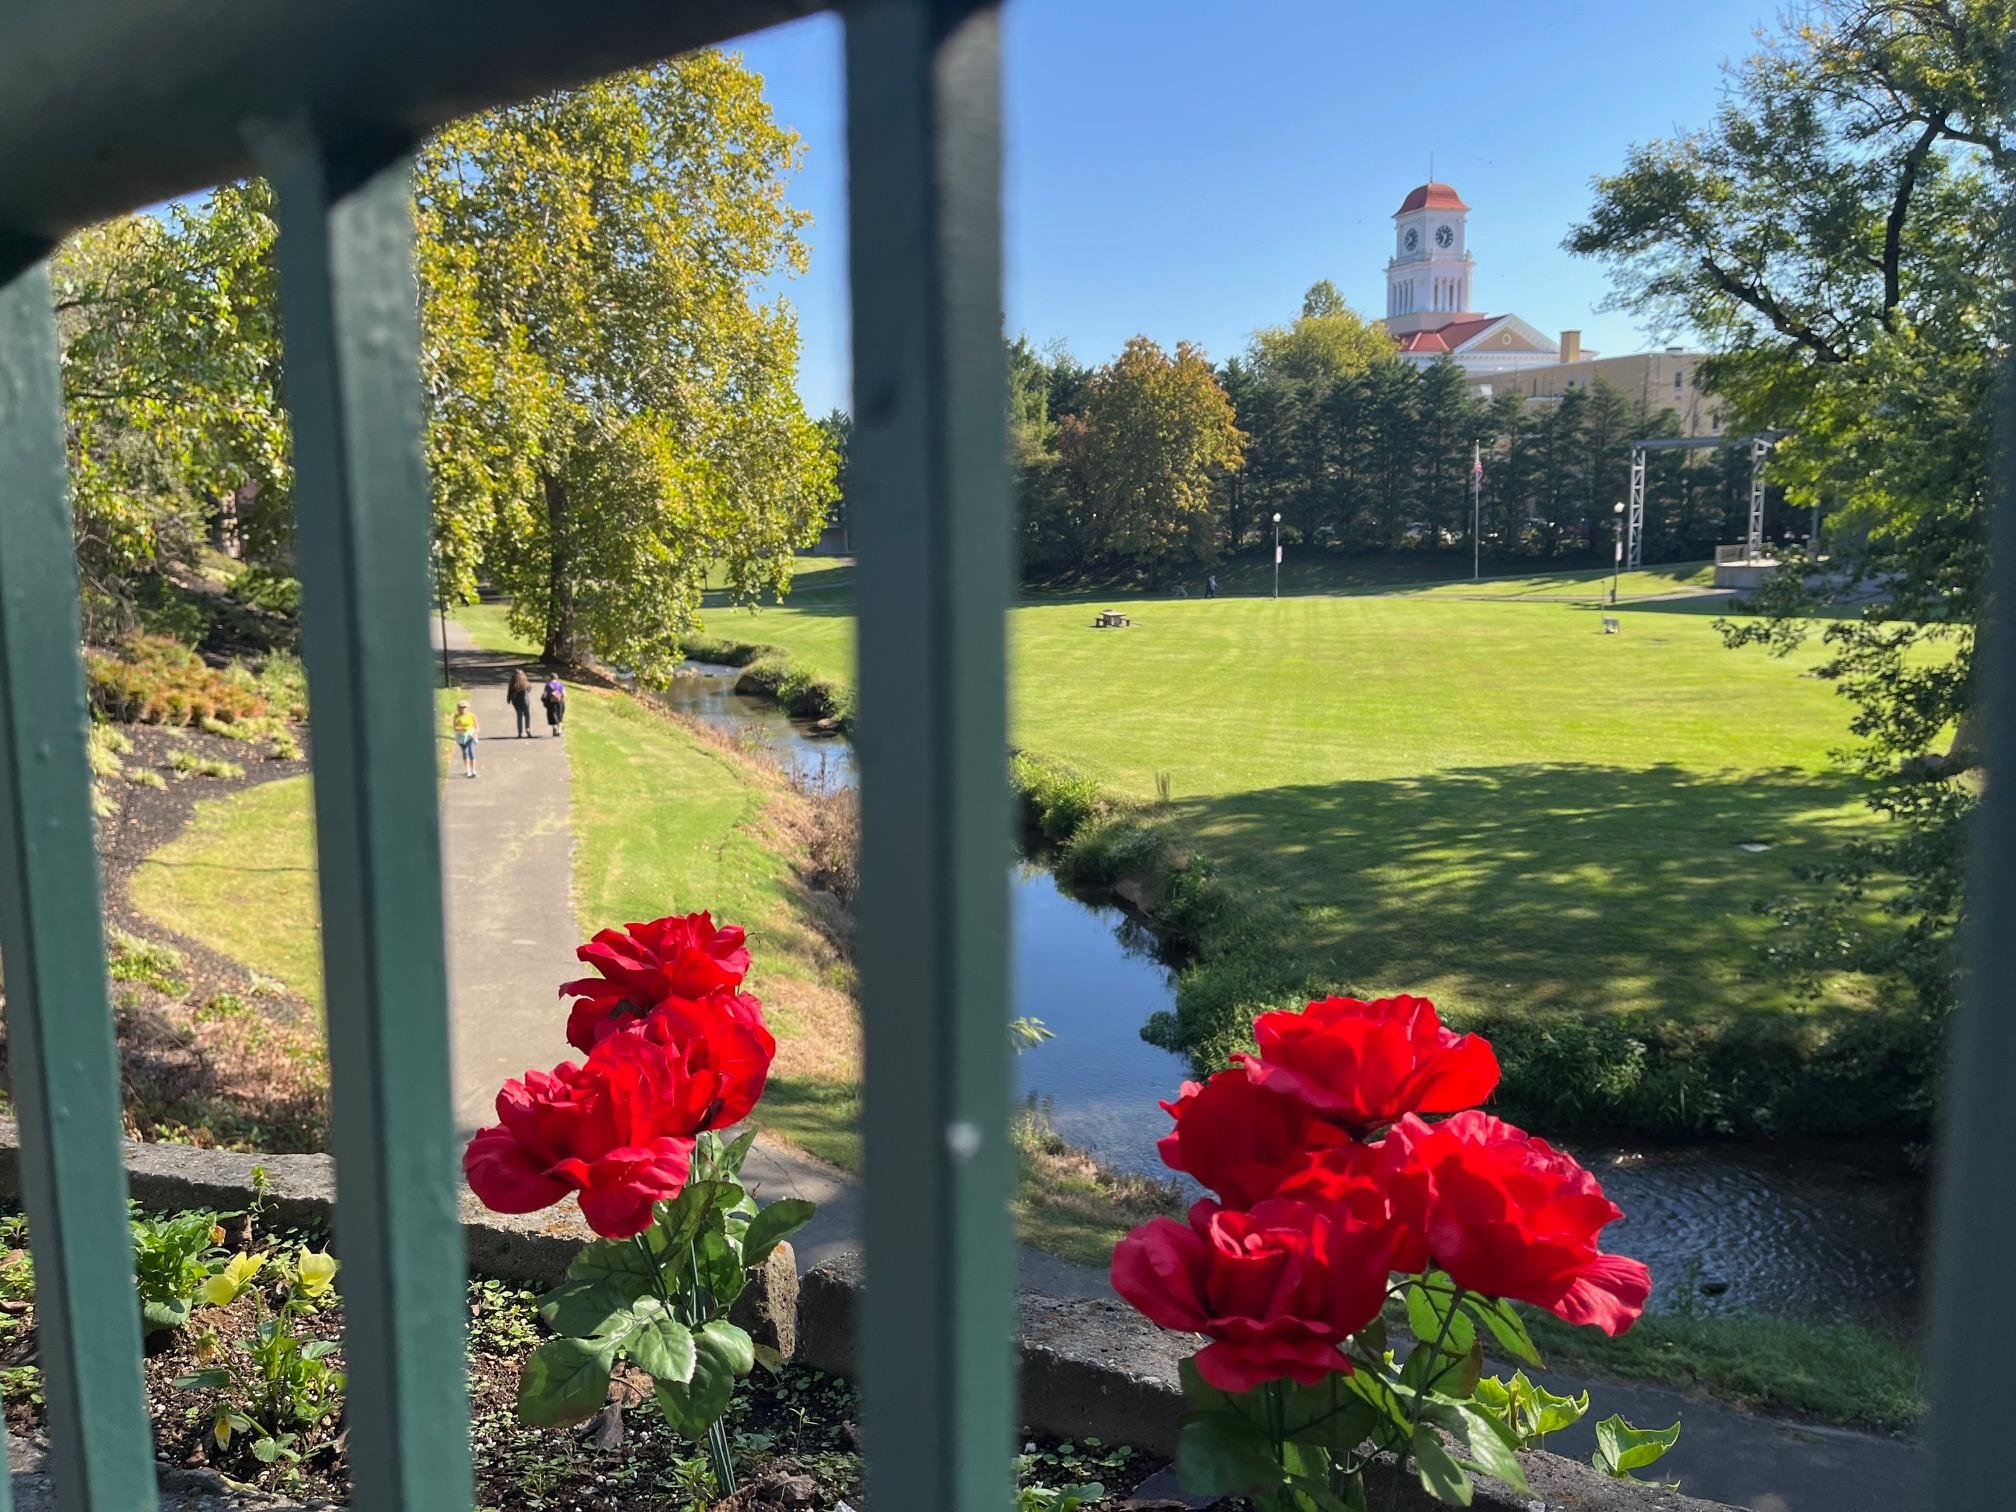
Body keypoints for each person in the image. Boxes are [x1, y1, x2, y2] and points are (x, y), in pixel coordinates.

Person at [452, 699, 479, 778]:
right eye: (461, 707)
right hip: (462, 737)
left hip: (471, 736)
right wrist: (462, 729)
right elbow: (455, 727)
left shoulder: (472, 715)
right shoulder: (456, 716)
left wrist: (475, 733)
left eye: (464, 707)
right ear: (458, 708)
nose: (463, 708)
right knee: (465, 753)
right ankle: (467, 770)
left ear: (468, 708)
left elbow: (477, 727)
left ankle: (473, 770)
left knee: (472, 753)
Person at [507, 667, 533, 737]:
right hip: (525, 700)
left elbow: (509, 690)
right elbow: (529, 689)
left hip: (516, 700)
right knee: (527, 714)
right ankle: (527, 728)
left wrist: (508, 699)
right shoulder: (524, 680)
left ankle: (520, 732)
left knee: (519, 715)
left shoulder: (513, 680)